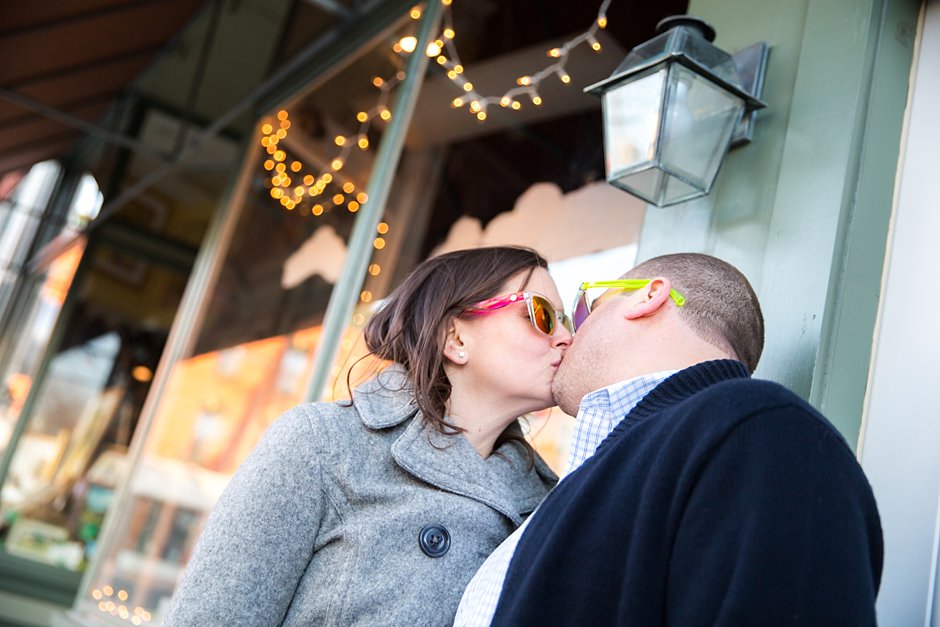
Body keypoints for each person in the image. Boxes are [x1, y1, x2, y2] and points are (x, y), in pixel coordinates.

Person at [456, 252, 883, 626]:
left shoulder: (763, 431)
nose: (568, 336)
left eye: (585, 310)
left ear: (648, 296)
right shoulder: (629, 462)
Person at [164, 246, 571, 626]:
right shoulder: (322, 444)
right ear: (456, 337)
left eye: (568, 321)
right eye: (541, 315)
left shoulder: (551, 507)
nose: (566, 337)